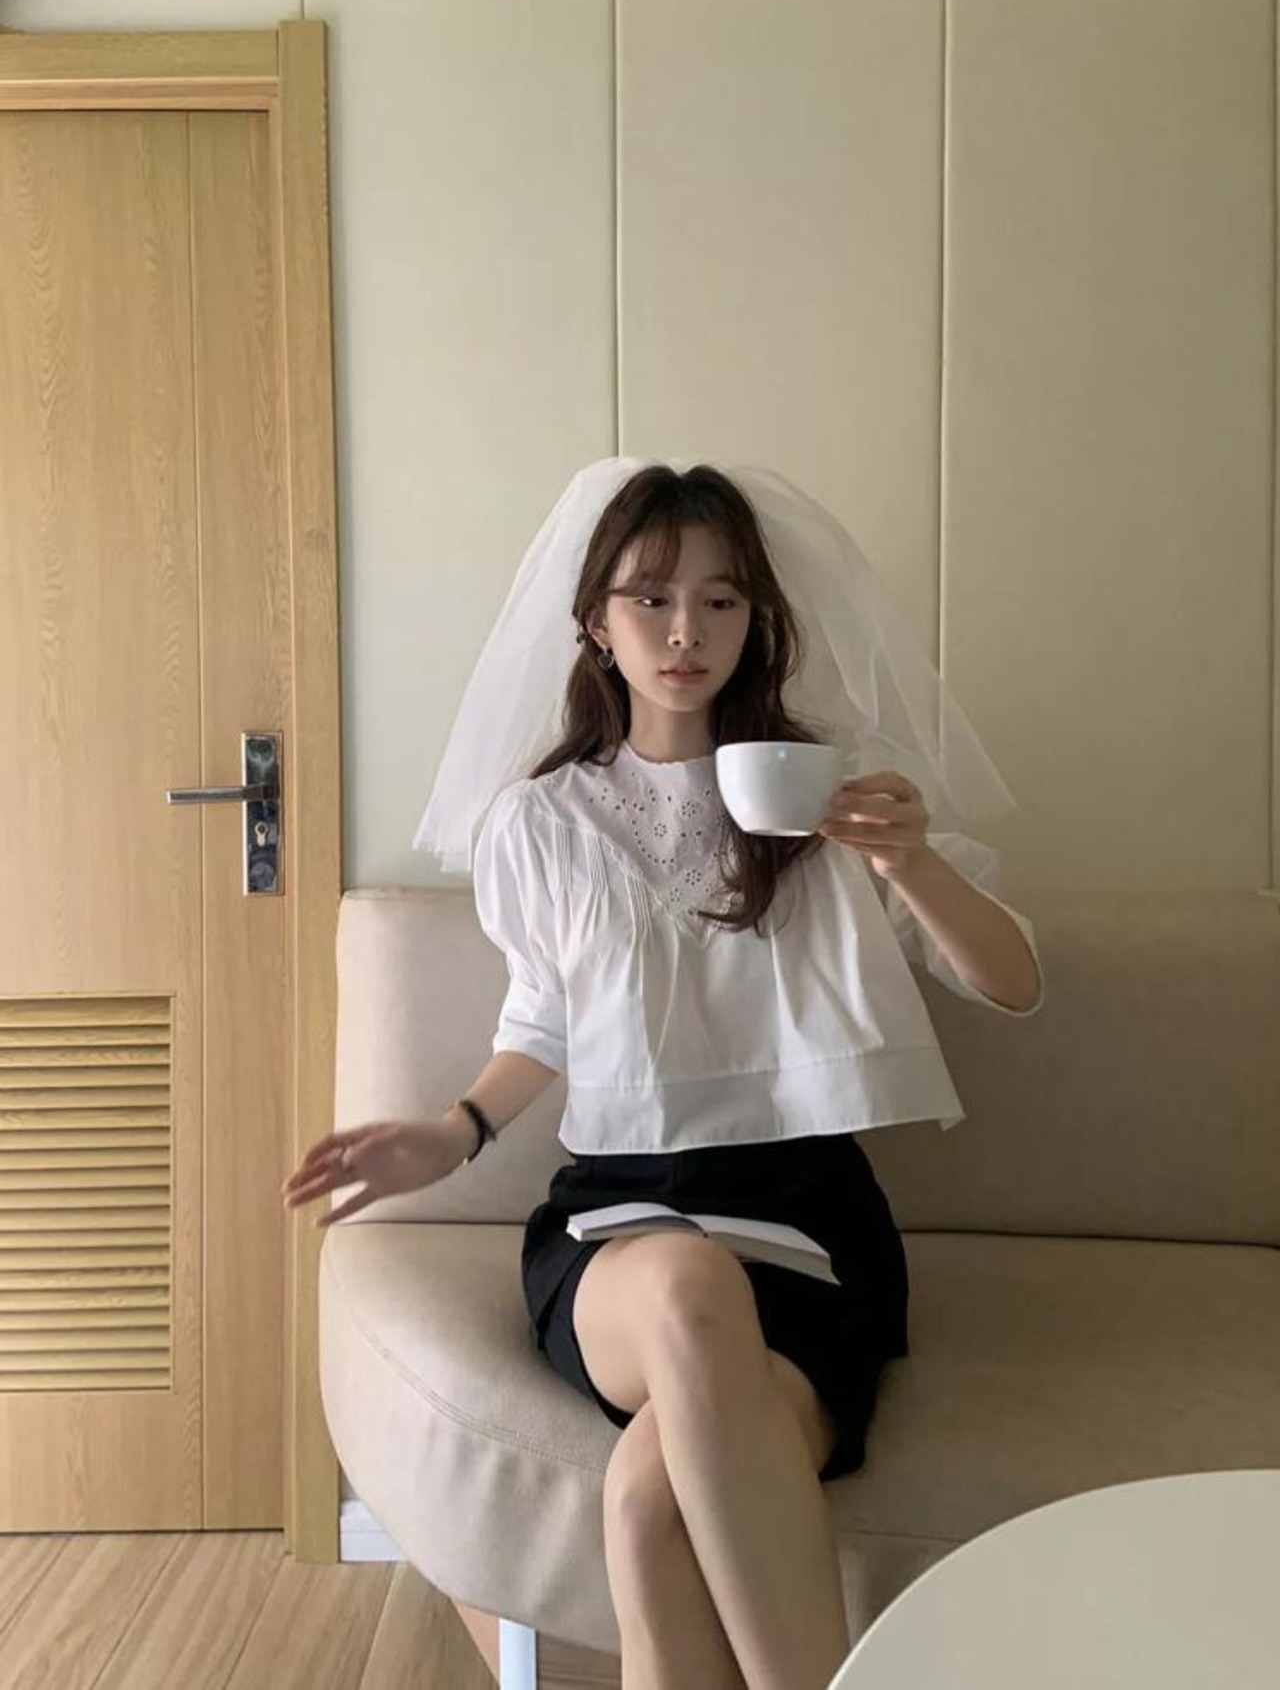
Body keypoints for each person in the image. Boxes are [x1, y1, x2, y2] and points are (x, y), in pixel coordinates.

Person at [287, 452, 1041, 1690]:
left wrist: (908, 862)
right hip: (622, 1220)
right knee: (688, 1286)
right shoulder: (539, 821)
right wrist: (452, 1129)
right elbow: (544, 1018)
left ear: (755, 619)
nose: (685, 630)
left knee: (649, 1502)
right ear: (595, 620)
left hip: (806, 1218)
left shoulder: (830, 798)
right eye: (650, 597)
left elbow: (1009, 981)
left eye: (720, 599)